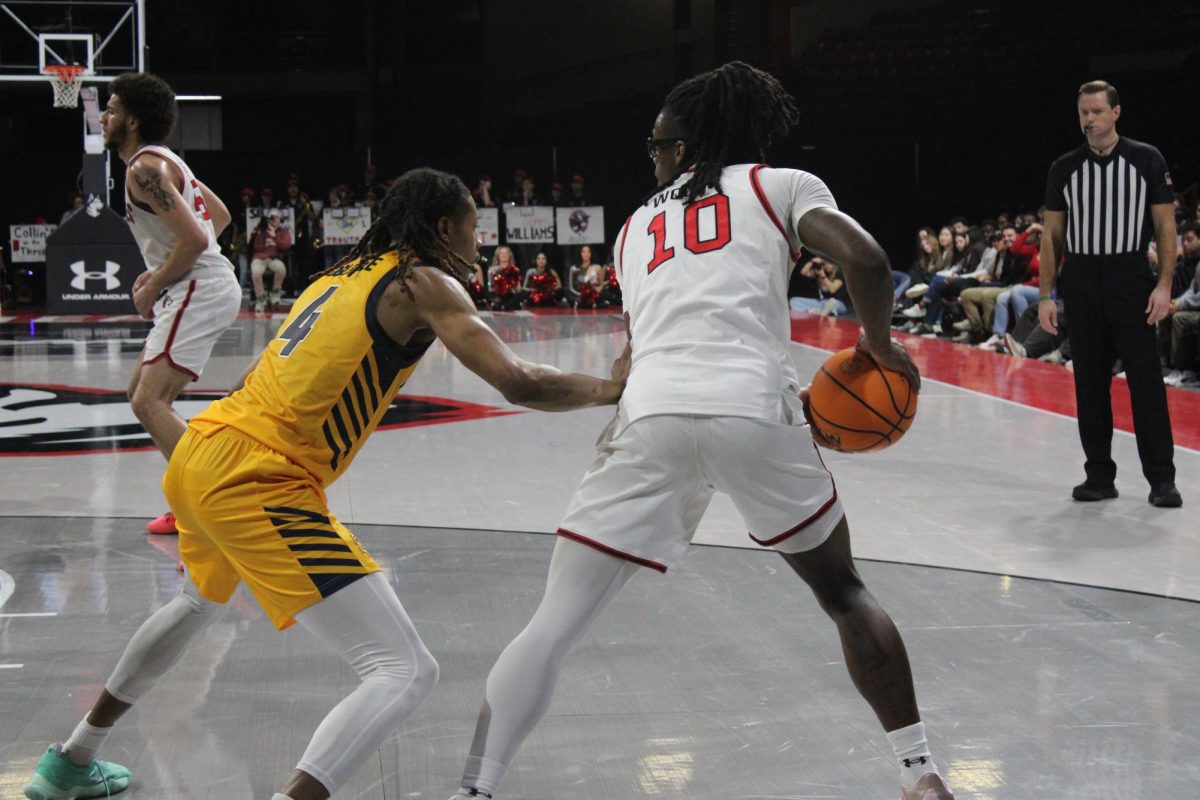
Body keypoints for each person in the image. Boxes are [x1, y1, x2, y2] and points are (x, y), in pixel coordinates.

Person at [22, 167, 630, 800]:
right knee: (403, 670)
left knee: (196, 605)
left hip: (203, 450)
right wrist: (612, 390)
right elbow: (518, 382)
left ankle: (71, 761)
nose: (479, 244)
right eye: (475, 229)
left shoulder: (337, 275)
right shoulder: (422, 281)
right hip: (258, 479)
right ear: (445, 228)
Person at [449, 61, 953, 800]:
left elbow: (630, 354)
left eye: (656, 144)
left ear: (683, 148)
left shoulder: (632, 228)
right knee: (843, 591)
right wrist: (876, 344)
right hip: (751, 406)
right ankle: (921, 774)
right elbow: (868, 260)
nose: (650, 157)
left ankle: (474, 789)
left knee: (553, 623)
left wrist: (621, 405)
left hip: (650, 412)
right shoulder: (780, 186)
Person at [100, 71, 243, 537]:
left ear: (134, 121)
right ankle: (188, 507)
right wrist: (166, 268)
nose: (105, 116)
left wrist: (156, 281)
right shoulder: (163, 162)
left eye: (113, 108)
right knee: (141, 394)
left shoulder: (144, 169)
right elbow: (218, 218)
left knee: (149, 400)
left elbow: (197, 236)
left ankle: (218, 513)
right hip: (198, 285)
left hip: (199, 289)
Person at [1038, 80, 1182, 508]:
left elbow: (1166, 228)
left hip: (1130, 278)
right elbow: (1052, 235)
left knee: (1146, 382)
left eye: (1097, 111)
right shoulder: (1063, 167)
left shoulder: (1146, 159)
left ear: (1116, 113)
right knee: (1089, 383)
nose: (1089, 120)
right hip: (1081, 280)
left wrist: (1163, 286)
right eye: (1083, 112)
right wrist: (1047, 294)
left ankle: (1162, 479)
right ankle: (1099, 474)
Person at [250, 211, 292, 312]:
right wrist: (257, 232)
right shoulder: (262, 230)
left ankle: (275, 293)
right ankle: (261, 298)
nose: (275, 220)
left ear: (280, 219)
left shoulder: (284, 231)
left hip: (274, 257)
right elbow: (255, 247)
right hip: (259, 257)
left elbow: (286, 245)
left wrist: (274, 236)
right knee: (256, 272)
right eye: (273, 218)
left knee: (281, 269)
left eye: (277, 218)